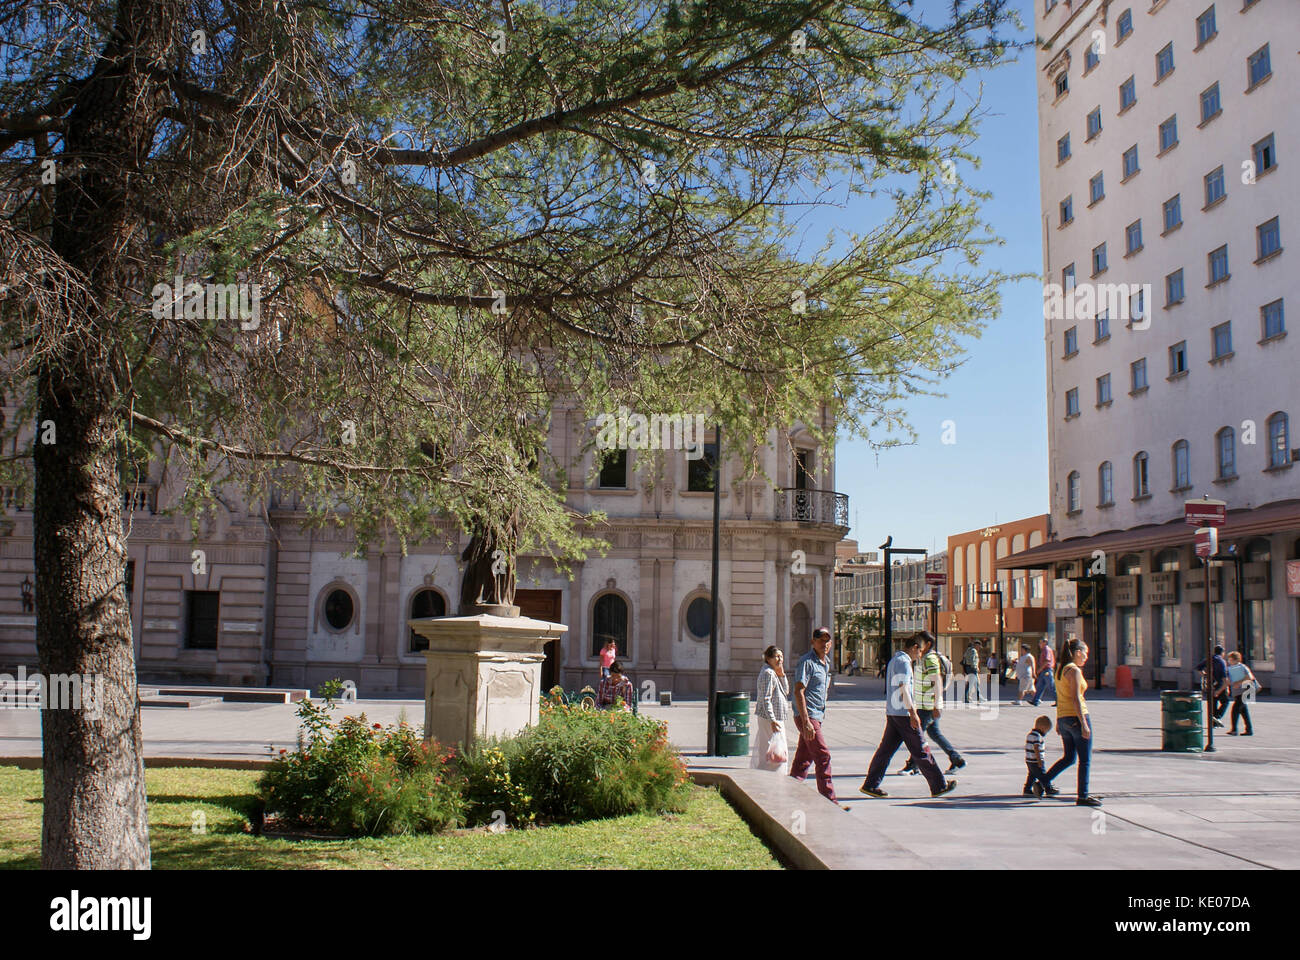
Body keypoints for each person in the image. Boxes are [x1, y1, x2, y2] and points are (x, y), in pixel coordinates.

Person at [859, 636, 958, 799]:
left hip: (893, 713)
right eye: (919, 651)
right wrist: (913, 713)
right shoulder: (904, 663)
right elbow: (904, 688)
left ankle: (870, 784)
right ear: (914, 647)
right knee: (921, 749)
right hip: (904, 714)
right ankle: (939, 785)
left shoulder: (894, 660)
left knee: (885, 751)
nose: (919, 655)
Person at [1042, 638, 1102, 806]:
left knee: (1069, 757)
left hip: (1064, 718)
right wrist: (1084, 724)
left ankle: (1043, 782)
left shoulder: (1059, 669)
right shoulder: (1074, 670)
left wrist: (1059, 720)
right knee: (1085, 759)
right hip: (1077, 717)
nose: (1086, 657)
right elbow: (1076, 698)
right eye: (1085, 653)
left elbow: (1060, 697)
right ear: (1077, 653)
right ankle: (1082, 796)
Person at [901, 632, 965, 776]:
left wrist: (936, 705)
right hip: (924, 704)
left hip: (929, 706)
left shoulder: (930, 659)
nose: (917, 645)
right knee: (934, 733)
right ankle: (957, 760)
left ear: (928, 644)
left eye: (920, 642)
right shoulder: (922, 658)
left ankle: (913, 765)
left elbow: (937, 681)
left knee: (917, 735)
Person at [790, 628, 837, 802]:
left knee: (804, 758)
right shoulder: (807, 662)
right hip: (808, 716)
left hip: (817, 715)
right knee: (823, 755)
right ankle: (829, 799)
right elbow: (798, 691)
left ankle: (791, 790)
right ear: (813, 642)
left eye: (827, 641)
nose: (824, 644)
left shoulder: (825, 663)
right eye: (820, 640)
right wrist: (806, 722)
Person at [751, 646, 791, 772]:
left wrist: (782, 674)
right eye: (776, 656)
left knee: (773, 748)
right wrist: (772, 720)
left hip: (775, 717)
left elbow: (786, 691)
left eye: (781, 656)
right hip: (771, 718)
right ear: (768, 658)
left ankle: (769, 772)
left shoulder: (774, 672)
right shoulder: (768, 673)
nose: (780, 659)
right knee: (771, 749)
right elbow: (765, 698)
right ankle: (768, 774)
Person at [1023, 715, 1059, 798]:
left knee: (1031, 775)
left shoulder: (1030, 735)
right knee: (1043, 775)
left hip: (1029, 760)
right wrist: (1039, 761)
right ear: (1042, 728)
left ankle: (1027, 789)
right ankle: (1048, 788)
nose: (1045, 733)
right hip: (1036, 761)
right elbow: (1036, 748)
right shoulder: (1037, 737)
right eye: (1046, 731)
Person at [1196, 645, 1230, 728]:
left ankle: (1213, 723)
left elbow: (1198, 668)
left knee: (1213, 703)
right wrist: (1226, 686)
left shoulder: (1209, 658)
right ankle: (1217, 717)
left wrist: (1204, 675)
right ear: (1222, 652)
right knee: (1225, 702)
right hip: (1220, 684)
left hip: (1210, 684)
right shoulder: (1221, 661)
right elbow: (1224, 676)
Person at [1225, 651, 1257, 737]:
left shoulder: (1242, 667)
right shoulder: (1230, 668)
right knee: (1243, 711)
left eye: (1230, 659)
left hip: (1245, 691)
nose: (1229, 661)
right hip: (1238, 692)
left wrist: (1238, 683)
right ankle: (1249, 729)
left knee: (1235, 710)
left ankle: (1234, 729)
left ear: (1236, 660)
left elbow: (1250, 677)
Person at [1030, 637, 1056, 706]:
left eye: (1040, 642)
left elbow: (1047, 661)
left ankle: (1059, 701)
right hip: (1044, 670)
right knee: (1039, 686)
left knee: (1051, 686)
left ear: (1045, 642)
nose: (1039, 644)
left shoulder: (1046, 649)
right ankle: (1035, 701)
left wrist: (1039, 669)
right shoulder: (1044, 650)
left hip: (1047, 670)